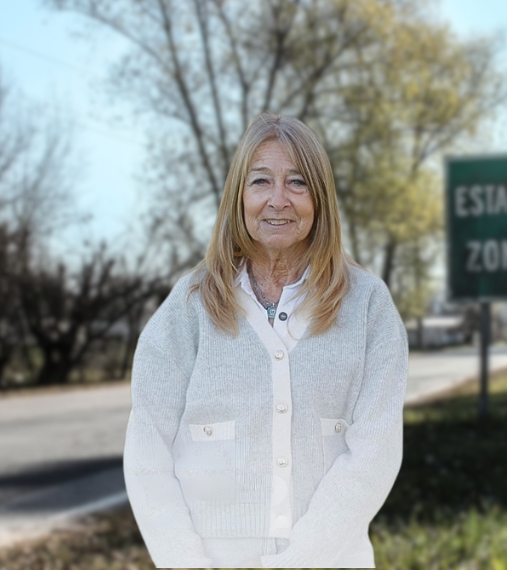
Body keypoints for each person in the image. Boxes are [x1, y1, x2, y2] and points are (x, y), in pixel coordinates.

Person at [123, 113, 408, 568]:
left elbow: (374, 455)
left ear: (320, 197)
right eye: (260, 181)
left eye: (297, 182)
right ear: (239, 196)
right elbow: (147, 453)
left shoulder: (368, 305)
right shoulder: (189, 306)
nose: (278, 200)